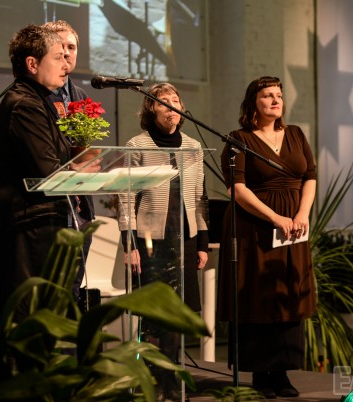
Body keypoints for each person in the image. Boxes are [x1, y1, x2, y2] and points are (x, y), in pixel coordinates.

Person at [0, 24, 99, 325]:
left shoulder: (39, 100)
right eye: (57, 57)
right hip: (24, 234)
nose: (65, 65)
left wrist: (77, 167)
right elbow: (49, 172)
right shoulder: (25, 105)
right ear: (32, 64)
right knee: (26, 325)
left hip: (38, 229)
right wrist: (78, 168)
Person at [217, 76, 317, 398]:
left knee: (288, 290)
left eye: (279, 95)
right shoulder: (239, 139)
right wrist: (275, 218)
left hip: (294, 226)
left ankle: (282, 371)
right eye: (268, 96)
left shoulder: (296, 134)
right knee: (257, 295)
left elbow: (310, 176)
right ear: (253, 103)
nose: (276, 100)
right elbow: (236, 189)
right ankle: (260, 372)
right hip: (255, 226)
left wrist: (302, 214)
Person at [117, 83, 209, 401]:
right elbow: (126, 197)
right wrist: (129, 245)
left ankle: (171, 380)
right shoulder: (137, 144)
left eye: (175, 100)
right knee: (155, 314)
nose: (171, 105)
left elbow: (199, 196)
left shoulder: (194, 146)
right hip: (150, 240)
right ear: (151, 110)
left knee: (178, 312)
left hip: (185, 237)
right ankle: (152, 380)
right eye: (162, 101)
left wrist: (202, 243)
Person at [42, 19, 95, 301]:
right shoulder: (36, 95)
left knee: (72, 290)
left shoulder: (80, 96)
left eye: (72, 47)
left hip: (79, 209)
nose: (66, 53)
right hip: (49, 211)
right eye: (60, 47)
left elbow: (83, 149)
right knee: (49, 291)